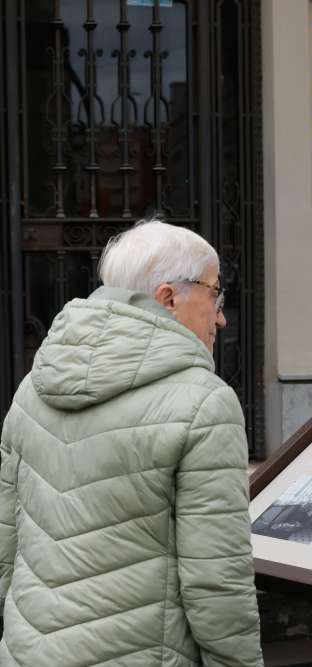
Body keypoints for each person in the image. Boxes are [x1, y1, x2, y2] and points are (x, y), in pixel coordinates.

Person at [0, 220, 263, 666]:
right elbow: (216, 579)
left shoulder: (34, 387)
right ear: (167, 298)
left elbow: (6, 541)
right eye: (214, 293)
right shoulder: (205, 402)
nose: (221, 315)